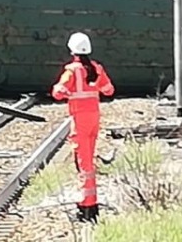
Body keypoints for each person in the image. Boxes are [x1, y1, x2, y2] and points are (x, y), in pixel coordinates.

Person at [51, 31, 115, 224]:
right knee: (89, 160)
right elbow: (109, 90)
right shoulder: (96, 68)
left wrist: (67, 92)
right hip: (94, 117)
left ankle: (87, 206)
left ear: (72, 51)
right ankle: (90, 202)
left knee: (83, 162)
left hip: (80, 119)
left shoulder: (72, 70)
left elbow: (57, 92)